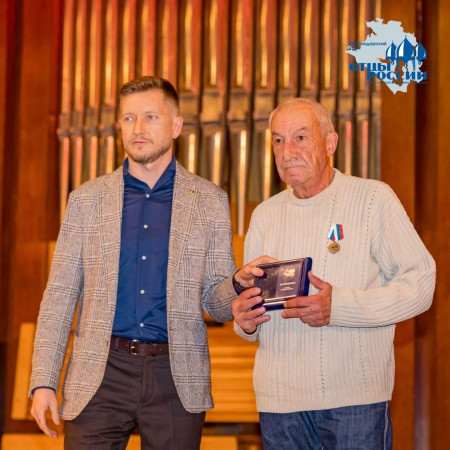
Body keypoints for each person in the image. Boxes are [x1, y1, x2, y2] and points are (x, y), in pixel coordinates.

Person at [29, 76, 262, 449]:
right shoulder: (86, 200)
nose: (137, 128)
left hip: (175, 376)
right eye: (128, 118)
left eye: (151, 117)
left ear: (176, 125)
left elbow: (215, 304)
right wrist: (43, 381)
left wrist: (236, 283)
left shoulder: (209, 201)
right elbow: (59, 296)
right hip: (99, 373)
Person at [232, 98, 436, 449]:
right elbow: (254, 317)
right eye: (278, 140)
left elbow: (421, 283)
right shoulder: (264, 215)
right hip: (279, 403)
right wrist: (245, 319)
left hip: (354, 402)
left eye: (300, 137)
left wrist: (338, 307)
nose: (287, 152)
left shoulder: (373, 199)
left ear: (330, 143)